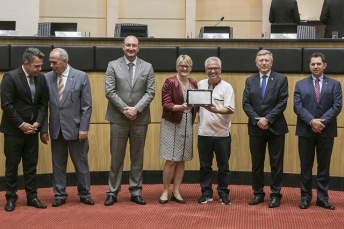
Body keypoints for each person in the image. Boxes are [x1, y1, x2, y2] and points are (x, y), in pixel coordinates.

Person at [104, 35, 155, 206]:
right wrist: (126, 110)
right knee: (116, 157)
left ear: (138, 48)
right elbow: (110, 91)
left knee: (137, 157)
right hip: (118, 118)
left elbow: (150, 92)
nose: (131, 48)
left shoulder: (148, 67)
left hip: (140, 119)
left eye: (134, 45)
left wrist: (136, 109)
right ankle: (112, 192)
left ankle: (136, 191)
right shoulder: (112, 65)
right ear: (123, 47)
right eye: (128, 45)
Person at [40, 48, 94, 207]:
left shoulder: (81, 76)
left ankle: (84, 193)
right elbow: (43, 106)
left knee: (81, 164)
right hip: (56, 130)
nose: (51, 65)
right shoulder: (47, 78)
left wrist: (84, 127)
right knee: (57, 164)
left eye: (54, 62)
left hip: (77, 130)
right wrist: (44, 129)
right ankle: (59, 194)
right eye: (50, 62)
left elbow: (86, 106)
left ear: (64, 61)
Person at [0, 48, 48, 211]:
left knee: (31, 165)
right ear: (26, 64)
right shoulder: (10, 77)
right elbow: (6, 105)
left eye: (41, 65)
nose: (40, 69)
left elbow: (42, 104)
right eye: (37, 66)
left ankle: (32, 197)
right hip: (14, 130)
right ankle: (11, 198)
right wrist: (21, 124)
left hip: (32, 130)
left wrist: (38, 123)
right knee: (12, 165)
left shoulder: (41, 79)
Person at [294, 52, 342, 210]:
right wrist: (311, 121)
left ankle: (322, 198)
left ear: (324, 65)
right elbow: (297, 107)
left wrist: (322, 122)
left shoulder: (334, 84)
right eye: (313, 64)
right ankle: (305, 197)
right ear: (309, 66)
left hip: (326, 131)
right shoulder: (300, 84)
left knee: (324, 166)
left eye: (318, 64)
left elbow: (337, 106)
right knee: (305, 167)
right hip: (306, 130)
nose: (315, 66)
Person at [242, 50, 288, 208]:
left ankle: (276, 195)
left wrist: (267, 119)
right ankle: (258, 193)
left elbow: (282, 102)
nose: (263, 63)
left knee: (276, 163)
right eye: (260, 60)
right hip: (256, 128)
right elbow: (246, 103)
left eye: (266, 60)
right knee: (256, 163)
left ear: (271, 62)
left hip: (276, 128)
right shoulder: (250, 80)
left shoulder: (281, 79)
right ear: (256, 62)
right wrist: (259, 121)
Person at [158, 55, 198, 204]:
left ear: (191, 68)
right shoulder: (170, 82)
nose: (184, 68)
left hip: (188, 123)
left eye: (187, 66)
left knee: (182, 159)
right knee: (171, 160)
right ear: (177, 67)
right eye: (182, 66)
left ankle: (176, 191)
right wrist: (181, 107)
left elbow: (198, 103)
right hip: (172, 123)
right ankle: (165, 191)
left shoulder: (193, 83)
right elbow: (166, 104)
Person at [197, 57, 235, 205]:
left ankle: (223, 194)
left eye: (215, 68)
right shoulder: (200, 84)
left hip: (222, 134)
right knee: (205, 166)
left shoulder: (227, 87)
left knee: (223, 166)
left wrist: (215, 109)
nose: (212, 71)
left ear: (220, 70)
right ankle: (206, 193)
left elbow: (229, 109)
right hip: (204, 133)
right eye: (209, 68)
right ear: (205, 70)